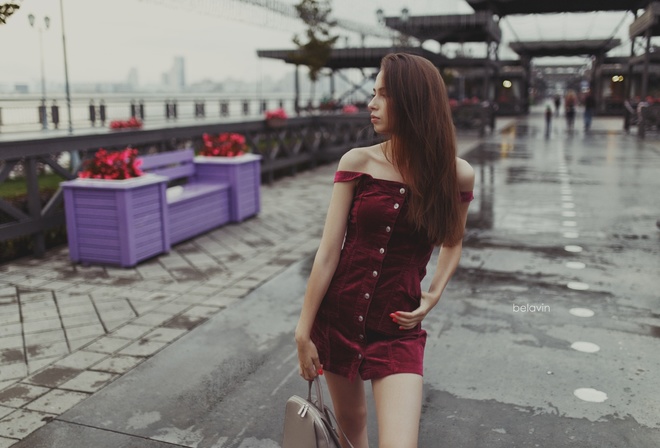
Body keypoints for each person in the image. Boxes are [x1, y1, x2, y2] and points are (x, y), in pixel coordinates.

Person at [294, 53, 475, 448]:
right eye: (372, 93)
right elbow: (328, 253)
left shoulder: (456, 173)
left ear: (413, 101)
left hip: (397, 330)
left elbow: (453, 239)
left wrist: (433, 295)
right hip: (339, 318)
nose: (370, 104)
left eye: (383, 95)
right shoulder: (358, 162)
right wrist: (303, 330)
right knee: (351, 430)